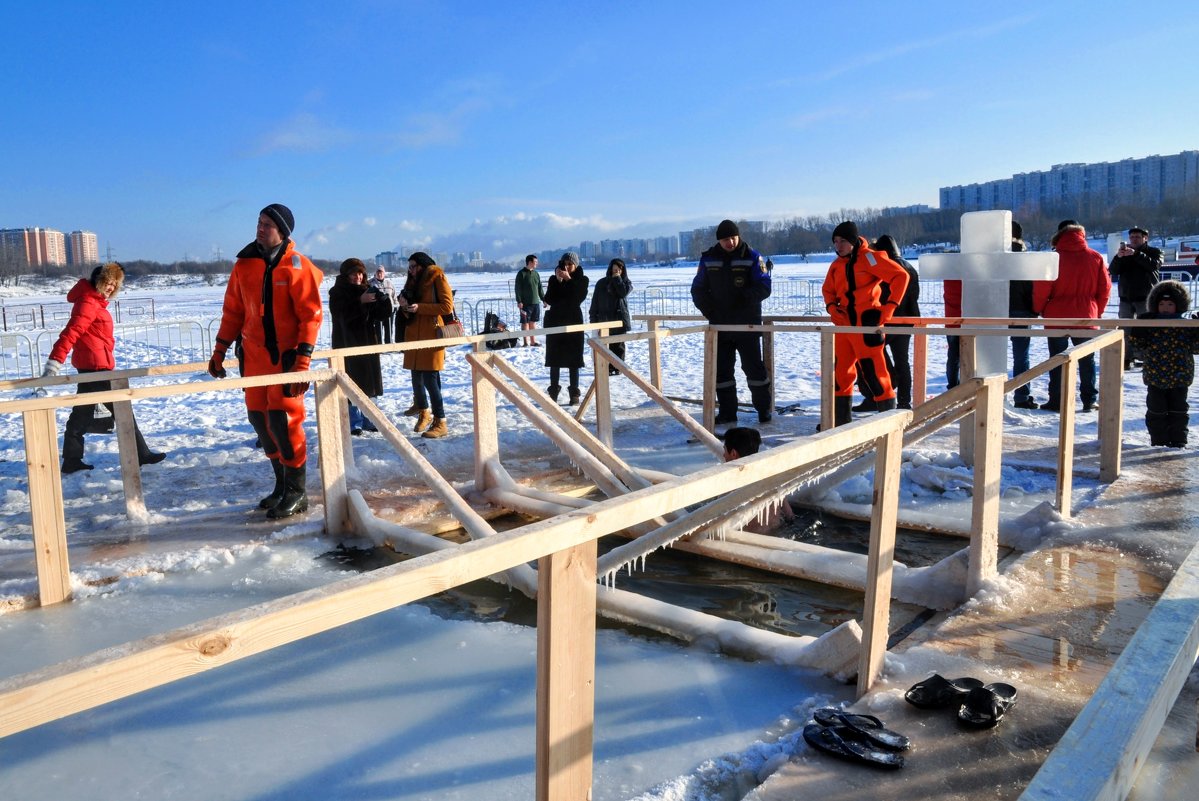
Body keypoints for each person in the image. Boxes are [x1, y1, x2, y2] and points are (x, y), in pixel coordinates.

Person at [207, 204, 324, 519]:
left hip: (285, 360)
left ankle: (298, 492)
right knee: (260, 421)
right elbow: (233, 312)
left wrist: (303, 361)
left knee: (283, 423)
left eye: (268, 224)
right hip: (254, 359)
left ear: (283, 232)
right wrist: (219, 351)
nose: (260, 228)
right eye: (259, 222)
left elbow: (311, 317)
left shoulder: (297, 266)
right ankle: (281, 485)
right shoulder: (244, 266)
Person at [42, 262, 166, 474]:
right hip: (95, 368)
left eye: (114, 284)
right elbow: (71, 333)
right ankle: (141, 454)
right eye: (107, 282)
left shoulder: (94, 302)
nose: (110, 287)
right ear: (97, 281)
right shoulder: (88, 302)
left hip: (95, 366)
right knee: (122, 410)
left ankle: (72, 460)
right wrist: (54, 362)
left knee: (81, 415)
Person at [822, 221, 912, 427]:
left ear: (853, 241)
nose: (838, 246)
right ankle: (841, 424)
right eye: (835, 241)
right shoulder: (836, 264)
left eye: (843, 241)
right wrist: (831, 308)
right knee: (840, 375)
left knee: (875, 374)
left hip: (866, 326)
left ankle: (888, 425)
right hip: (844, 327)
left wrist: (889, 307)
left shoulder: (870, 258)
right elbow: (827, 290)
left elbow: (901, 276)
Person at [690, 220, 773, 425]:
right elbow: (698, 289)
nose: (730, 242)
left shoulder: (752, 257)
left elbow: (765, 286)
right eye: (725, 239)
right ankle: (728, 412)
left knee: (754, 370)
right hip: (720, 326)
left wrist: (745, 298)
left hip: (748, 325)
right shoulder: (709, 259)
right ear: (719, 240)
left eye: (733, 237)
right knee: (722, 372)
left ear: (739, 236)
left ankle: (763, 409)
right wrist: (710, 311)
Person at [1033, 221, 1112, 413]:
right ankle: (1089, 400)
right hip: (1086, 314)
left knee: (1057, 359)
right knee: (1087, 360)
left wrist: (1041, 310)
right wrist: (1096, 311)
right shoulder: (1096, 257)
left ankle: (1057, 400)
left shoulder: (1053, 258)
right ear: (1082, 236)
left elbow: (1042, 289)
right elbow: (1105, 289)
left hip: (1057, 315)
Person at [1127, 280, 1199, 447]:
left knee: (1179, 411)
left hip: (1180, 376)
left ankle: (1179, 442)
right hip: (1155, 376)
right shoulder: (1151, 322)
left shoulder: (1186, 324)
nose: (1165, 307)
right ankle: (1158, 442)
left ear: (1178, 305)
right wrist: (1138, 332)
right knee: (1156, 411)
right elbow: (1138, 348)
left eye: (1170, 303)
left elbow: (1196, 348)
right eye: (1162, 303)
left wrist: (1197, 330)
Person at [855, 234, 920, 411]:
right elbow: (914, 295)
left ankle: (877, 394)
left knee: (869, 357)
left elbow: (880, 294)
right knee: (902, 361)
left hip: (886, 320)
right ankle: (904, 401)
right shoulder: (910, 267)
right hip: (906, 322)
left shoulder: (884, 267)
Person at [396, 252, 453, 438]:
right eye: (409, 267)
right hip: (414, 335)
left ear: (423, 265)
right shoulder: (413, 281)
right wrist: (405, 306)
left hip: (431, 334)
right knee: (416, 377)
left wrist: (420, 308)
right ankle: (424, 413)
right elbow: (410, 313)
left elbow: (446, 306)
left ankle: (440, 421)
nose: (411, 270)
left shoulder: (437, 277)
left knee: (430, 379)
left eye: (413, 266)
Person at [328, 259, 384, 435]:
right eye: (354, 274)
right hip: (347, 342)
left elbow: (382, 315)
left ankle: (370, 418)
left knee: (370, 382)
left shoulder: (367, 289)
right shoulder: (337, 292)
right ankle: (354, 421)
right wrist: (360, 301)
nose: (358, 277)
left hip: (368, 343)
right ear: (346, 275)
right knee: (351, 381)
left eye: (360, 273)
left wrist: (383, 301)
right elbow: (341, 315)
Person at [1109, 225, 1163, 369]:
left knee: (1146, 330)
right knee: (1124, 330)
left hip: (1146, 298)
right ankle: (1126, 358)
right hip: (1126, 298)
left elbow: (1154, 265)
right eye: (1132, 237)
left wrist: (1136, 254)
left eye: (1137, 237)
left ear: (1145, 238)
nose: (1134, 239)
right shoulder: (1124, 254)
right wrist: (1118, 257)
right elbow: (1113, 270)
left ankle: (1147, 358)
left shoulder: (1154, 251)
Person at [543, 251, 590, 405]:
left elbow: (577, 298)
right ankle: (553, 392)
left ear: (576, 265)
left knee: (574, 359)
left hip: (573, 321)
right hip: (555, 321)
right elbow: (548, 299)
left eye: (570, 264)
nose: (567, 267)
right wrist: (557, 281)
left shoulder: (582, 280)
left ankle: (574, 393)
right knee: (554, 359)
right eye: (565, 264)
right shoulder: (553, 279)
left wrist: (568, 280)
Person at [588, 258, 633, 375]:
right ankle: (607, 367)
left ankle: (618, 367)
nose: (616, 271)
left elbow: (622, 293)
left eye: (619, 270)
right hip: (605, 319)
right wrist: (593, 320)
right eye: (614, 270)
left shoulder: (626, 283)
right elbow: (595, 302)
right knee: (605, 346)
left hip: (619, 319)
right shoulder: (601, 283)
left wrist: (617, 279)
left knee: (619, 345)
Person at [515, 254, 545, 347]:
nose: (537, 263)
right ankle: (525, 342)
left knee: (533, 322)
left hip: (535, 303)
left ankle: (533, 341)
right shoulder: (521, 273)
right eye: (535, 262)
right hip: (525, 304)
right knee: (525, 323)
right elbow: (517, 288)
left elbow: (540, 288)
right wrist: (519, 301)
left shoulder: (536, 274)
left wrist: (544, 299)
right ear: (530, 262)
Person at [367, 266, 397, 345]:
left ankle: (388, 344)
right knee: (378, 330)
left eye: (381, 272)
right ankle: (379, 345)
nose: (380, 274)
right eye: (378, 272)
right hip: (377, 312)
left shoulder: (389, 283)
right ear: (375, 273)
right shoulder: (370, 283)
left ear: (384, 273)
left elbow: (394, 296)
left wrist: (396, 306)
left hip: (389, 311)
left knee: (389, 329)